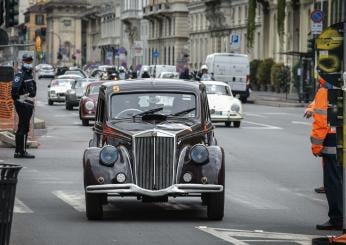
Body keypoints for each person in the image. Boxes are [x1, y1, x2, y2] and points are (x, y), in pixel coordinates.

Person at [310, 77, 342, 230]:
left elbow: (321, 121)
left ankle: (337, 218)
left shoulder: (325, 92)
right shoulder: (340, 89)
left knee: (332, 182)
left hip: (331, 140)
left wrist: (316, 147)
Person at [11, 54, 37, 158]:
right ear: (22, 62)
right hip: (23, 104)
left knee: (22, 127)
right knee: (23, 127)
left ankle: (19, 151)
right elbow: (14, 89)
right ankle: (21, 152)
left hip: (27, 104)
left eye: (30, 61)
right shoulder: (20, 74)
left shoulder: (28, 74)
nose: (29, 63)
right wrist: (19, 100)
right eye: (27, 61)